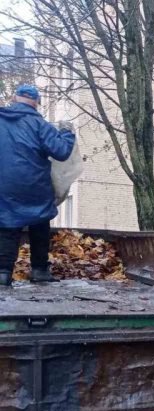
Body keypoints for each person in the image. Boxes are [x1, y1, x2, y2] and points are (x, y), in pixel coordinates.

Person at [0, 84, 76, 286]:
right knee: (40, 221)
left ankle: (3, 273)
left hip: (4, 185)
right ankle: (40, 270)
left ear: (15, 99)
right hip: (34, 184)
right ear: (36, 103)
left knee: (7, 225)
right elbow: (61, 151)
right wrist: (67, 133)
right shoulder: (40, 124)